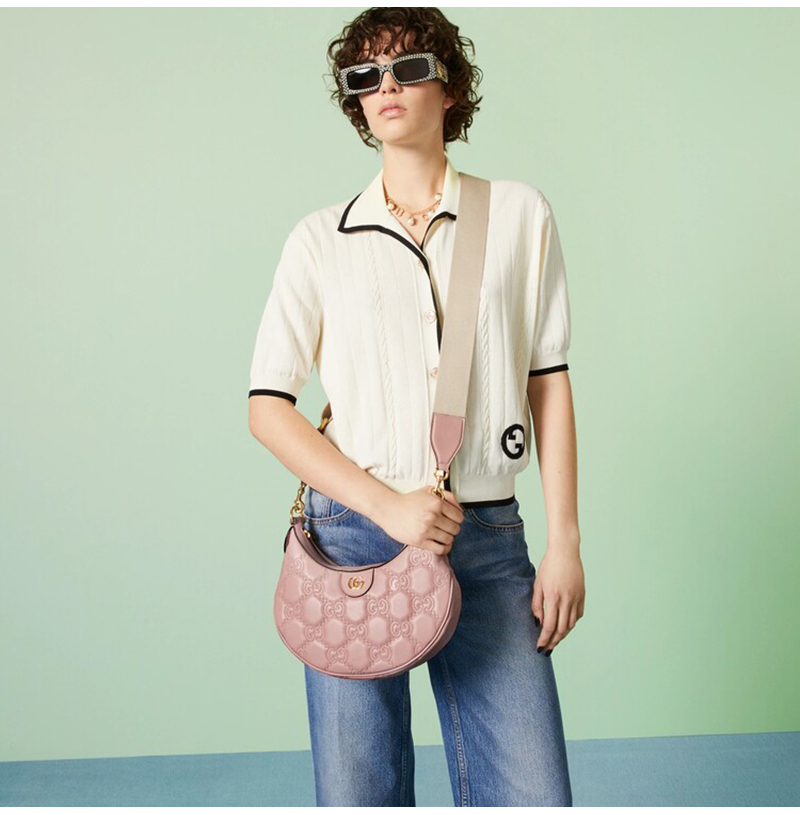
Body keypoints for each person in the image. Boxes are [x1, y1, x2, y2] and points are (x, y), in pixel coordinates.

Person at [248, 7, 585, 807]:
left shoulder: (518, 214)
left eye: (408, 67)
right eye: (365, 76)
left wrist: (565, 540)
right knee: (358, 794)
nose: (386, 86)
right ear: (356, 102)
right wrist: (386, 506)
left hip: (486, 536)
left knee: (533, 794)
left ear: (450, 86)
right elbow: (268, 407)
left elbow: (548, 378)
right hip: (351, 542)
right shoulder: (319, 239)